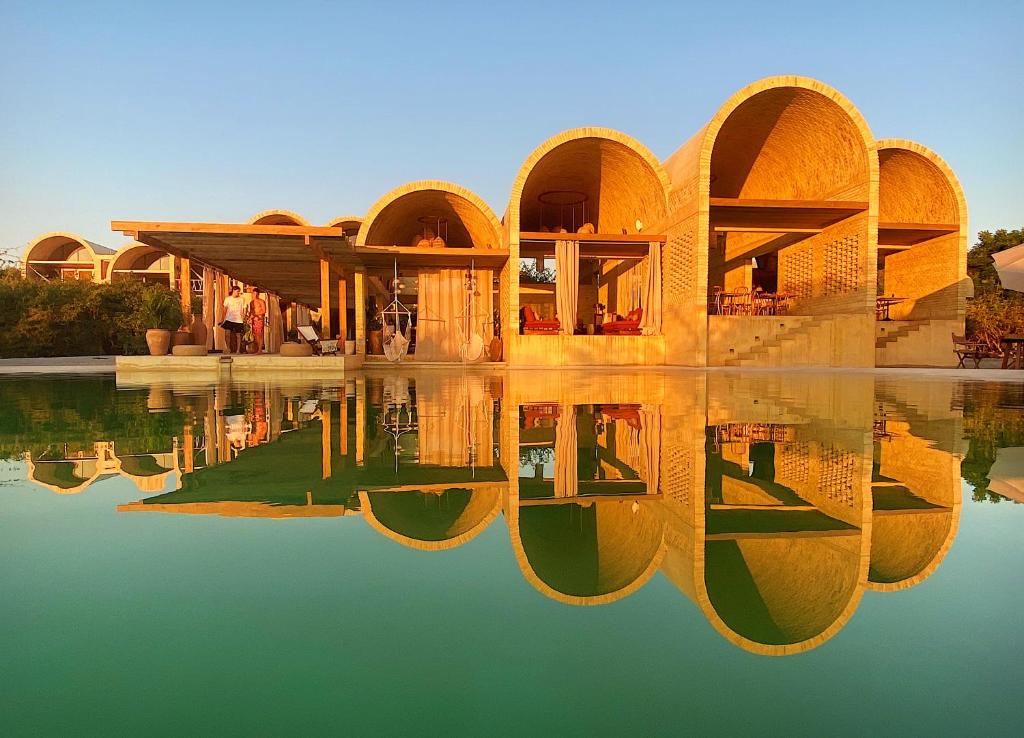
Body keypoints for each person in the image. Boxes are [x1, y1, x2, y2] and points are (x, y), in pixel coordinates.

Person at [222, 285, 245, 354]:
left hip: (238, 319)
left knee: (238, 335)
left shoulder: (241, 299)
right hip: (229, 318)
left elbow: (244, 308)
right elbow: (224, 309)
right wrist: (223, 319)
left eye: (239, 292)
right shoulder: (228, 299)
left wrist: (243, 317)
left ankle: (238, 350)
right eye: (237, 292)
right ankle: (228, 348)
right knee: (227, 334)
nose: (238, 293)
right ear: (233, 291)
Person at [247, 288, 267, 354]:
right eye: (253, 293)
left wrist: (256, 315)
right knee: (255, 334)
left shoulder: (261, 301)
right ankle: (258, 349)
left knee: (260, 334)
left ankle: (260, 349)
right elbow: (251, 311)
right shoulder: (251, 302)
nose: (255, 295)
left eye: (256, 294)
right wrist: (249, 318)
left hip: (259, 319)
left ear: (258, 294)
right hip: (254, 320)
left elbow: (264, 311)